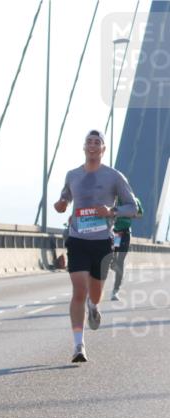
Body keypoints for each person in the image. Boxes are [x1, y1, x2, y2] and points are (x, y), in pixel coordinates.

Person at [53, 130, 137, 362]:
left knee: (96, 293)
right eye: (89, 142)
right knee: (78, 290)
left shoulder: (114, 177)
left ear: (103, 149)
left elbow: (133, 207)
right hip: (78, 239)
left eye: (97, 142)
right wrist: (61, 204)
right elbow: (64, 199)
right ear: (84, 147)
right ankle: (78, 345)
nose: (92, 145)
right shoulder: (72, 175)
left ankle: (94, 305)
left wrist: (111, 211)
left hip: (102, 242)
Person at [109, 195, 143, 301]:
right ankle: (113, 264)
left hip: (124, 233)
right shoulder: (111, 199)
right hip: (114, 234)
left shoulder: (133, 200)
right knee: (112, 260)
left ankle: (115, 290)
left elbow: (140, 214)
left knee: (120, 261)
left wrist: (131, 213)